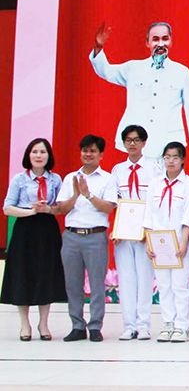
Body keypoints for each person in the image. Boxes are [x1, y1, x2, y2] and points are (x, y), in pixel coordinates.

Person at [89, 21, 189, 159]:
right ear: (147, 43)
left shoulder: (181, 72)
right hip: (138, 141)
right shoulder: (133, 68)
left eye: (165, 39)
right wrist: (98, 47)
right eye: (155, 39)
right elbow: (106, 71)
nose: (160, 44)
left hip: (169, 142)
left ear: (171, 41)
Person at [52, 134, 118, 342]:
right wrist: (75, 194)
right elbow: (61, 209)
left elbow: (108, 208)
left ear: (101, 155)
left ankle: (95, 326)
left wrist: (88, 194)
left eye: (92, 151)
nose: (88, 154)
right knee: (73, 284)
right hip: (71, 236)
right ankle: (77, 326)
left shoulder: (108, 178)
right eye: (85, 150)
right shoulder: (70, 177)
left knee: (97, 284)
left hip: (95, 236)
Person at [1, 138, 66, 341]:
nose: (39, 155)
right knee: (23, 273)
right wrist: (31, 211)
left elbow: (61, 207)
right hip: (25, 229)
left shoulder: (55, 179)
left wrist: (48, 209)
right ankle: (24, 324)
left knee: (46, 273)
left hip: (47, 229)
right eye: (35, 152)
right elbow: (7, 208)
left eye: (43, 152)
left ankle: (43, 323)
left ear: (49, 156)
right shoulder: (19, 179)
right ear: (28, 155)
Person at [110, 124, 163, 341]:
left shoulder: (154, 168)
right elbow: (115, 201)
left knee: (144, 279)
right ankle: (128, 325)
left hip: (145, 233)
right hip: (124, 233)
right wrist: (117, 229)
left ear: (144, 143)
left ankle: (143, 325)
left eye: (136, 140)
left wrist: (148, 229)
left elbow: (157, 201)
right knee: (126, 279)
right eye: (128, 140)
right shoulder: (117, 170)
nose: (132, 144)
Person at [143, 142, 189, 342]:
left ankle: (182, 326)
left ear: (182, 160)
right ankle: (168, 323)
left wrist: (184, 242)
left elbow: (188, 214)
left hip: (181, 241)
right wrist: (149, 241)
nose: (171, 161)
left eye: (175, 157)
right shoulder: (155, 183)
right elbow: (149, 214)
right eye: (167, 157)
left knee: (180, 285)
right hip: (159, 242)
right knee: (164, 284)